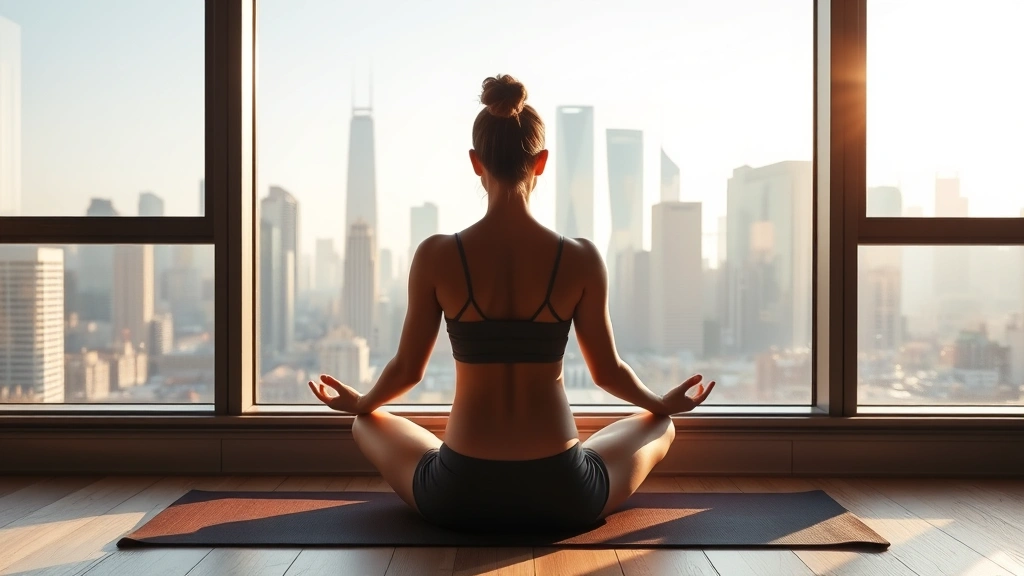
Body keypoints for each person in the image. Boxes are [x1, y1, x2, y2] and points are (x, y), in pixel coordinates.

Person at [309, 74, 715, 531]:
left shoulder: (436, 255)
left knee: (367, 422)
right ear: (540, 162)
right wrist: (661, 402)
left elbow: (408, 370)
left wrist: (360, 401)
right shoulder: (579, 257)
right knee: (661, 425)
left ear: (475, 162)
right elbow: (607, 372)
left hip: (457, 492)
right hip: (563, 492)